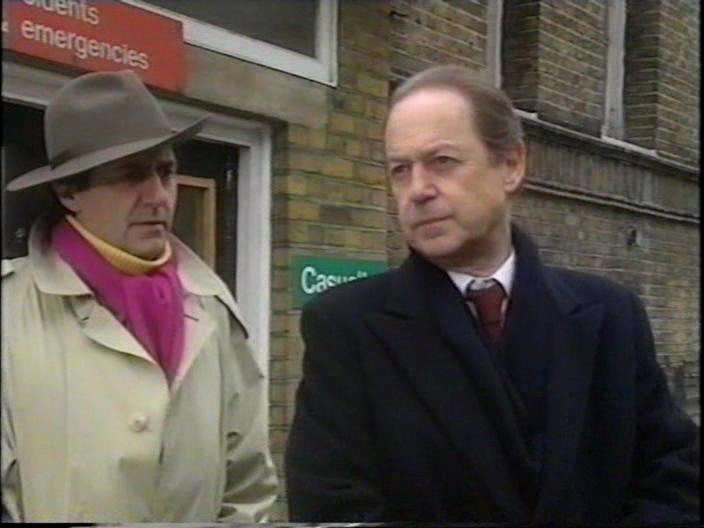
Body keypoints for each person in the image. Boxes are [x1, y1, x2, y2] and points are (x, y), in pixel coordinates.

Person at [285, 65, 700, 524]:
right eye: (400, 170)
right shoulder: (346, 326)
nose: (417, 190)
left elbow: (674, 477)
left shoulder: (611, 315)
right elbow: (332, 507)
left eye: (442, 161)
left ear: (511, 165)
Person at [1, 70, 277, 522]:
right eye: (129, 176)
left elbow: (247, 484)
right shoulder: (11, 311)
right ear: (69, 192)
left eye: (165, 172)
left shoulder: (211, 304)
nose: (159, 196)